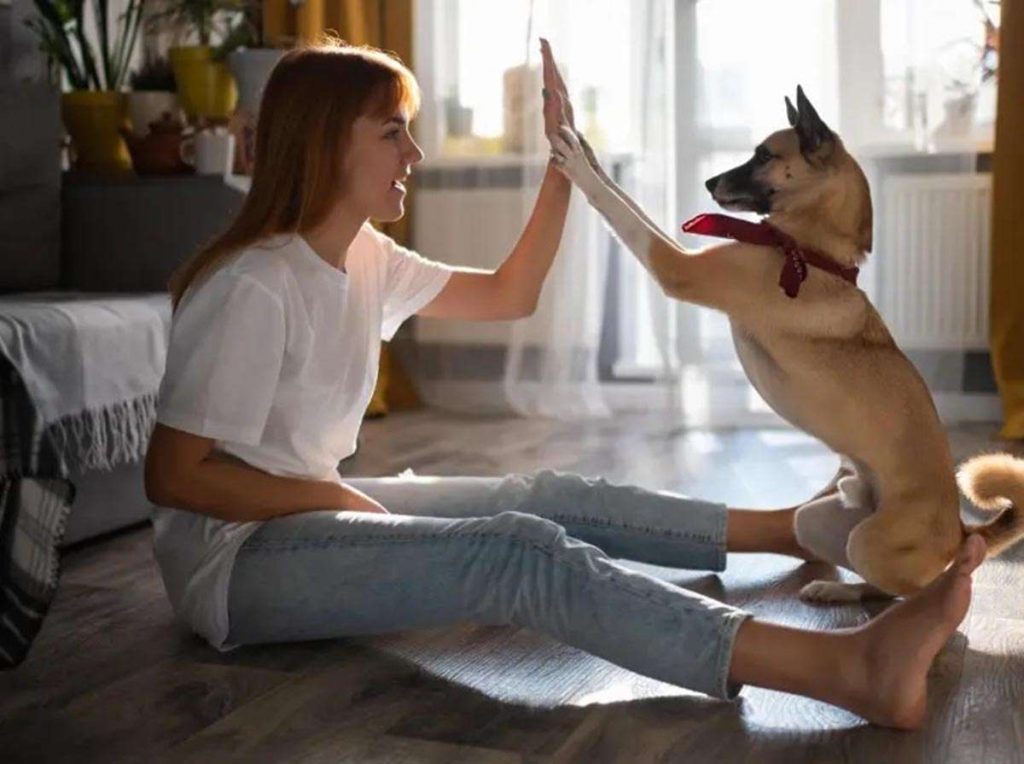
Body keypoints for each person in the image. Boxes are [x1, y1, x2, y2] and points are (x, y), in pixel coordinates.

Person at [144, 38, 985, 731]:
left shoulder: (366, 257)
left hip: (311, 504)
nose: (417, 153)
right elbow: (178, 479)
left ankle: (786, 532)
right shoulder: (254, 284)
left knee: (546, 493)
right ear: (329, 142)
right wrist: (347, 509)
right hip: (236, 563)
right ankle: (845, 667)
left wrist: (564, 167)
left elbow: (512, 294)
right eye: (393, 133)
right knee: (518, 550)